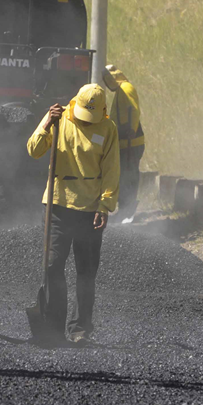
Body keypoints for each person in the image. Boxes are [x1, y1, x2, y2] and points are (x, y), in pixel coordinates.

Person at [27, 84, 120, 343]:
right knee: (52, 266)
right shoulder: (59, 119)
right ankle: (54, 328)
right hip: (58, 204)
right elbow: (33, 150)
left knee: (86, 273)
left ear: (103, 110)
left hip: (90, 209)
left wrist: (105, 205)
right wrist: (45, 122)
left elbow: (112, 170)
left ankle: (80, 330)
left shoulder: (108, 129)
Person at [102, 64, 144, 223]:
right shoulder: (121, 90)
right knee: (124, 175)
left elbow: (134, 110)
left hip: (131, 142)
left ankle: (127, 210)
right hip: (125, 141)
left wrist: (131, 130)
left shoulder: (126, 88)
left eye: (107, 79)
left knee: (129, 176)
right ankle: (124, 209)